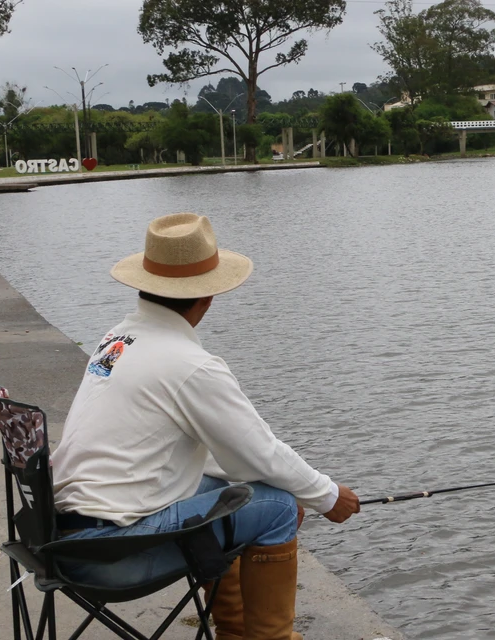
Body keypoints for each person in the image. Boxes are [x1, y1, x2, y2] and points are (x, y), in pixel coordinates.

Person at [51, 212, 359, 640]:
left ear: (144, 283)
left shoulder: (118, 339)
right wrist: (327, 495)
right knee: (279, 507)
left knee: (231, 492)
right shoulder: (190, 365)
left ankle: (236, 631)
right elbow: (260, 452)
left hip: (65, 537)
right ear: (208, 296)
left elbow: (226, 456)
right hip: (115, 556)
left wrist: (285, 484)